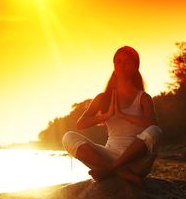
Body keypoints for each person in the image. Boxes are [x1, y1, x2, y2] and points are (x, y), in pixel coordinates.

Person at [62, 46, 162, 187]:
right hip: (108, 156)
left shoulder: (143, 98)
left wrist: (123, 115)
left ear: (135, 67)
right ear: (114, 65)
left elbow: (152, 124)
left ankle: (110, 170)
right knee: (68, 137)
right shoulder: (103, 98)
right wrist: (106, 115)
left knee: (155, 131)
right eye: (118, 62)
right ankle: (120, 172)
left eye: (127, 62)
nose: (122, 66)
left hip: (136, 163)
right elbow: (81, 124)